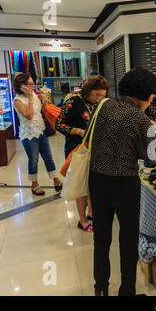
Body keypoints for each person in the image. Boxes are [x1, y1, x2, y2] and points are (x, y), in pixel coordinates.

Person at [88, 68, 156, 296]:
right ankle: (127, 291)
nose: (152, 101)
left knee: (101, 238)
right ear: (143, 95)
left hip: (97, 181)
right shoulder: (141, 120)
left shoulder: (103, 106)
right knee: (127, 241)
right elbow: (155, 160)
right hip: (125, 185)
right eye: (152, 97)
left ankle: (100, 289)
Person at [56, 75, 109, 233]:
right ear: (88, 90)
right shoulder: (73, 101)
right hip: (77, 150)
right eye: (96, 95)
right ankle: (83, 220)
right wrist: (79, 131)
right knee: (80, 186)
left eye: (102, 96)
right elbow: (59, 124)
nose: (99, 98)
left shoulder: (96, 104)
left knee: (92, 183)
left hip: (93, 149)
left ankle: (91, 212)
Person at [12, 73, 63, 196]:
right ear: (22, 86)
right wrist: (30, 98)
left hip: (40, 130)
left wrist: (44, 101)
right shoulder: (18, 100)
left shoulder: (34, 95)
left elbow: (40, 112)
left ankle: (56, 180)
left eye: (32, 83)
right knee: (33, 160)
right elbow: (28, 115)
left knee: (48, 157)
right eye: (29, 84)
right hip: (29, 134)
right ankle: (34, 184)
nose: (32, 86)